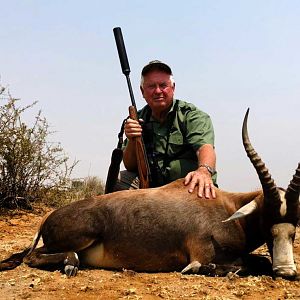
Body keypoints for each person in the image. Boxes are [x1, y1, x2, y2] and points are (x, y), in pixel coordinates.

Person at [115, 60, 217, 199]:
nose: (158, 91)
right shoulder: (137, 118)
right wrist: (133, 139)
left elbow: (204, 147)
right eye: (151, 86)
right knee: (119, 179)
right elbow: (130, 166)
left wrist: (204, 171)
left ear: (173, 88)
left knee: (200, 185)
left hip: (187, 187)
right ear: (142, 91)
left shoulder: (191, 115)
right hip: (153, 188)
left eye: (163, 85)